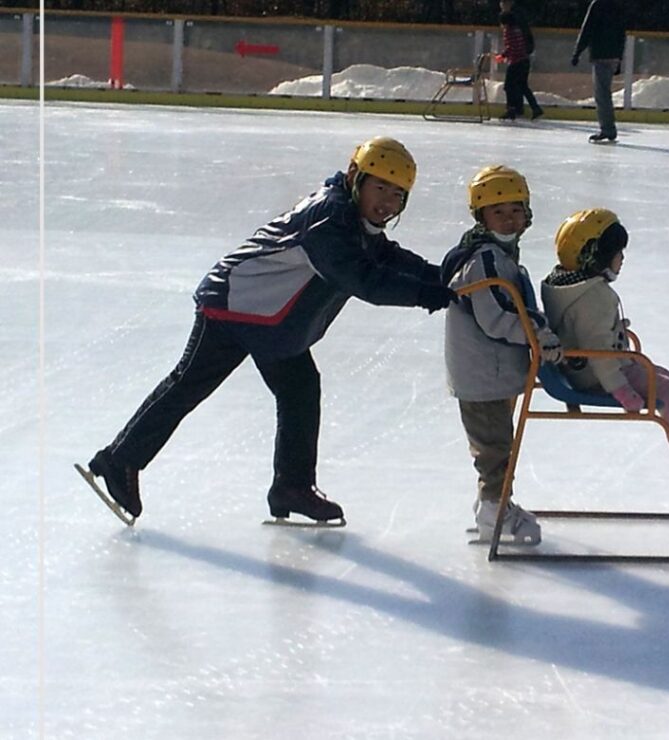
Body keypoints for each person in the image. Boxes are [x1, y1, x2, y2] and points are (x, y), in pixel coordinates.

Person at [78, 137, 457, 526]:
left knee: (300, 390)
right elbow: (365, 280)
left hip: (271, 319)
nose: (387, 203)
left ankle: (292, 487)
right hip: (233, 303)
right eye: (380, 188)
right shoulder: (329, 218)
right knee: (189, 385)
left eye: (398, 195)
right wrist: (431, 294)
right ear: (355, 177)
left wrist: (444, 275)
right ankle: (118, 459)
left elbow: (386, 256)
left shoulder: (352, 218)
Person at [540, 209, 669, 474]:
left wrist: (614, 329)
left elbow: (583, 331)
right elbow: (599, 351)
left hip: (594, 368)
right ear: (596, 256)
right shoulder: (594, 298)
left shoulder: (566, 287)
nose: (622, 259)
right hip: (599, 377)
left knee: (664, 376)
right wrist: (621, 390)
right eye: (617, 252)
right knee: (668, 393)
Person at [441, 165, 564, 545]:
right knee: (494, 449)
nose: (509, 219)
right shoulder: (486, 260)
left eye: (516, 210)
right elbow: (497, 315)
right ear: (482, 216)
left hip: (491, 372)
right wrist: (539, 335)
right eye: (499, 212)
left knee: (496, 444)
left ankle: (492, 505)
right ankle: (495, 509)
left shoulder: (499, 255)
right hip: (484, 373)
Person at [571, 0, 626, 144]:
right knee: (604, 92)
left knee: (602, 94)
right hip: (613, 54)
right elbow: (622, 33)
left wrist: (577, 52)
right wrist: (619, 57)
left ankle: (608, 129)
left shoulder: (598, 4)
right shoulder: (618, 5)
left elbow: (587, 28)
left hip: (601, 54)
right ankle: (608, 128)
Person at [496, 0, 543, 121]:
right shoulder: (517, 29)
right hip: (524, 61)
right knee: (523, 86)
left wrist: (503, 56)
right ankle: (535, 108)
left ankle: (511, 109)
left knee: (508, 86)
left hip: (516, 62)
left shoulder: (509, 32)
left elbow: (511, 48)